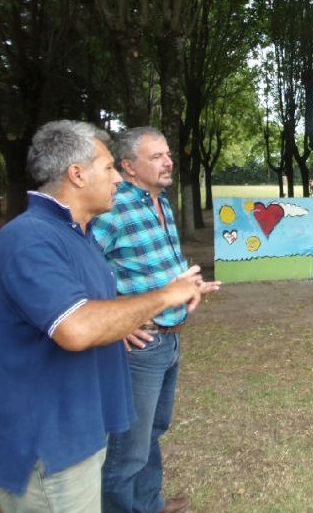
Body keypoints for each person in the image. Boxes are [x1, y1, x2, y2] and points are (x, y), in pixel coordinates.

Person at [0, 121, 201, 513]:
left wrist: (128, 315)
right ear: (77, 173)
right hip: (48, 447)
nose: (117, 178)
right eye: (110, 167)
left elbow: (101, 301)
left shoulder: (73, 236)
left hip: (80, 430)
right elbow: (76, 328)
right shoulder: (29, 238)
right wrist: (163, 297)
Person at [92, 127, 220, 513]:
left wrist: (189, 287)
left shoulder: (161, 203)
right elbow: (80, 266)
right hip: (140, 345)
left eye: (167, 154)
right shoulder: (113, 207)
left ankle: (148, 504)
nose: (168, 162)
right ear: (128, 166)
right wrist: (118, 318)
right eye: (157, 157)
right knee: (126, 449)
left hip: (170, 339)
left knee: (152, 431)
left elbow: (158, 264)